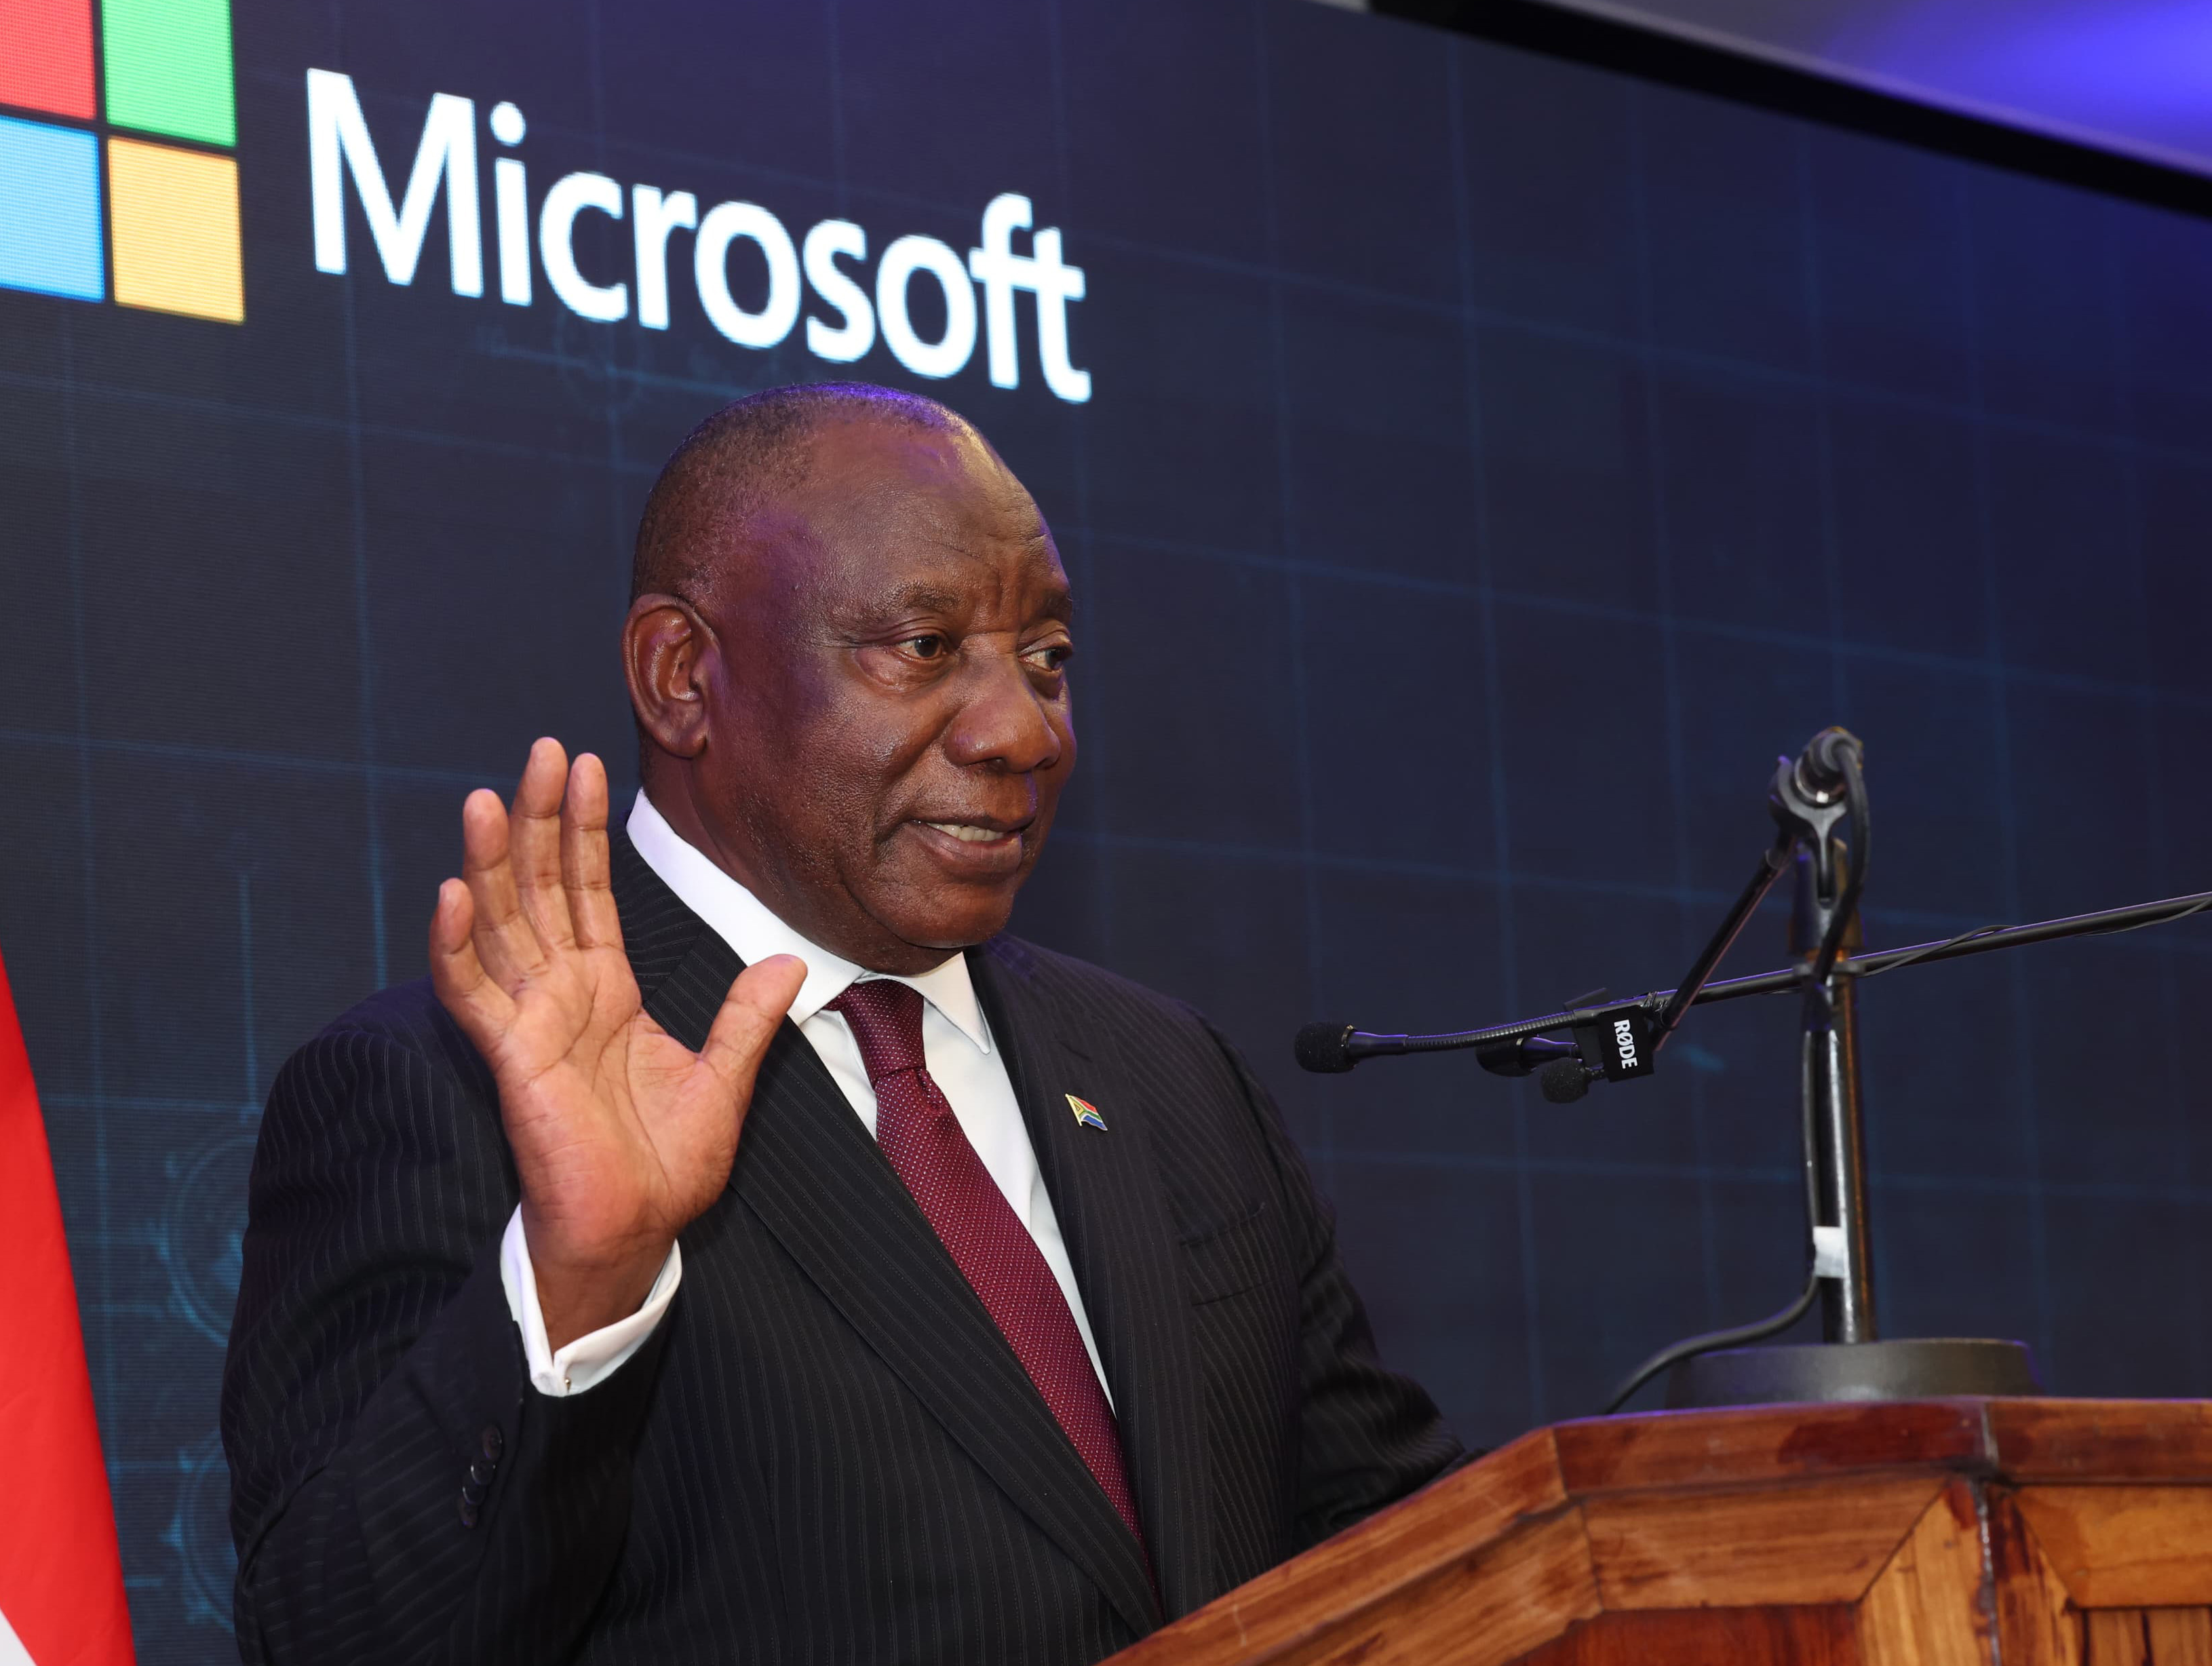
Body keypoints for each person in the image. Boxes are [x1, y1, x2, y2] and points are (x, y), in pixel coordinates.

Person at [222, 384, 1460, 1664]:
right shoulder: (435, 1092)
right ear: (682, 678)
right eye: (924, 647)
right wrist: (582, 1279)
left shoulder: (1169, 1077)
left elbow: (1412, 1551)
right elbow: (337, 1639)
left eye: (1047, 659)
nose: (1024, 729)